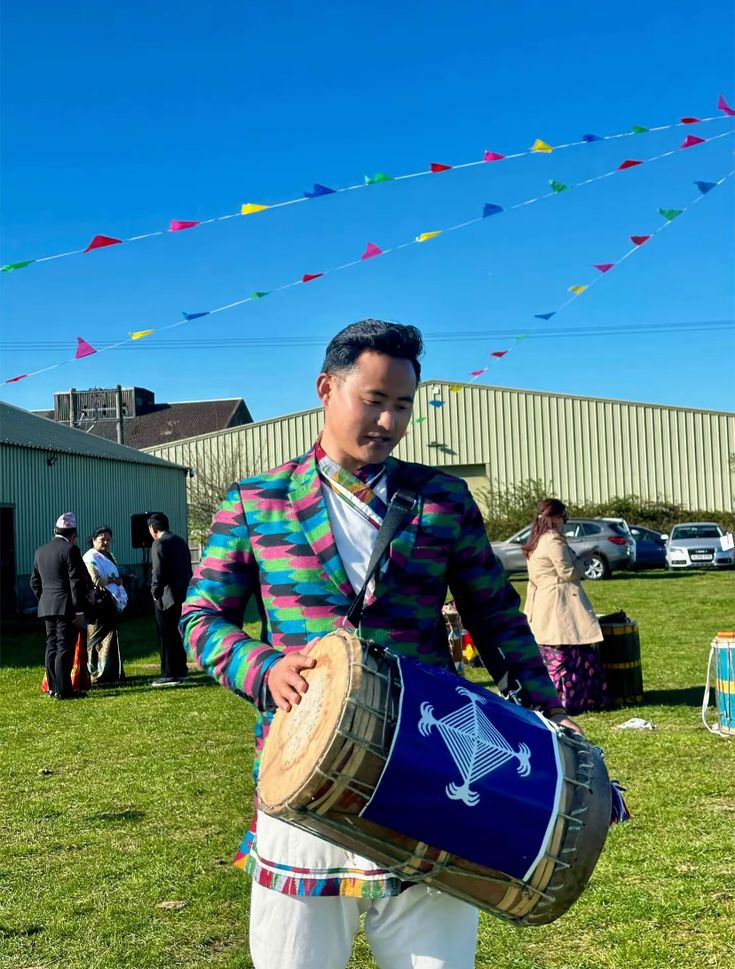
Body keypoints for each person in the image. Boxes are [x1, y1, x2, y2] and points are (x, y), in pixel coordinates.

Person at [181, 320, 579, 969]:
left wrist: (544, 707)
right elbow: (201, 617)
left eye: (401, 405)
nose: (389, 420)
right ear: (325, 388)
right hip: (302, 769)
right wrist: (262, 667)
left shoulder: (441, 498)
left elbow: (495, 615)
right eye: (374, 398)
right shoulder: (257, 501)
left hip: (433, 767)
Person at [522, 498, 609, 714]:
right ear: (554, 517)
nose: (564, 522)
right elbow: (567, 572)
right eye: (563, 517)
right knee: (570, 655)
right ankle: (573, 700)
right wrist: (584, 561)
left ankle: (551, 700)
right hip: (558, 604)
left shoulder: (536, 539)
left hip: (541, 601)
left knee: (553, 654)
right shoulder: (553, 540)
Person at [30, 512, 90, 700]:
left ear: (54, 531)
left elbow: (34, 582)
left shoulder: (40, 551)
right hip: (67, 607)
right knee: (64, 647)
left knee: (52, 646)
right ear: (73, 534)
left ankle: (52, 687)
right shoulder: (71, 550)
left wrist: (45, 598)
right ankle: (64, 690)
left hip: (47, 606)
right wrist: (79, 609)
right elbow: (76, 582)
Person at [148, 512, 192, 687]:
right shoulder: (180, 541)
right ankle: (181, 669)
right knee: (178, 634)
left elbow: (157, 572)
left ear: (153, 528)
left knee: (165, 636)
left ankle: (168, 672)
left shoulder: (159, 543)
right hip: (182, 594)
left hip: (166, 597)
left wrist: (154, 591)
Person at [83, 526, 127, 684]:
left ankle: (111, 672)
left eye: (108, 539)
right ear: (94, 541)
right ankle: (95, 673)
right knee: (95, 639)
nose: (106, 542)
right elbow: (96, 580)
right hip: (97, 604)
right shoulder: (90, 558)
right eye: (102, 539)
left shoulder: (108, 556)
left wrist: (119, 581)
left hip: (110, 603)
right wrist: (113, 580)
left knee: (110, 638)